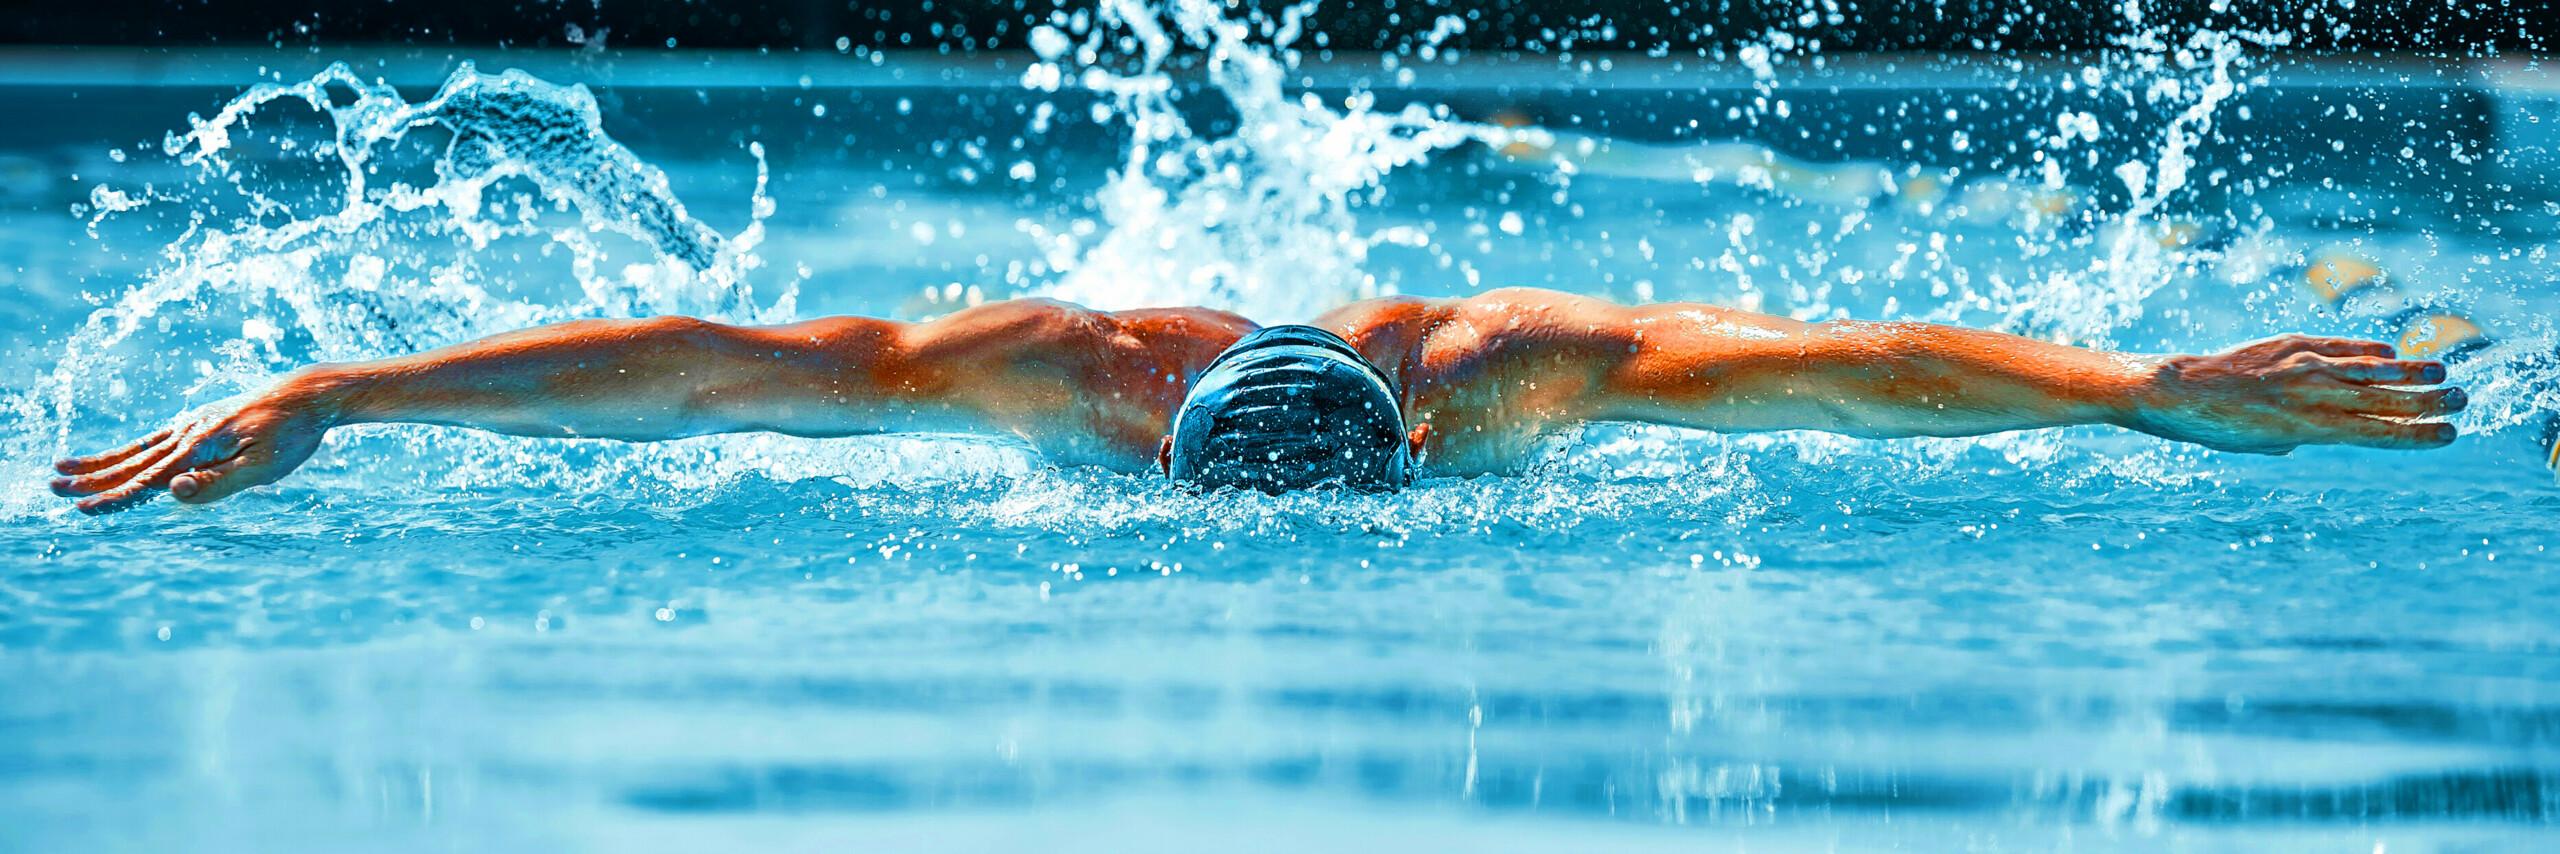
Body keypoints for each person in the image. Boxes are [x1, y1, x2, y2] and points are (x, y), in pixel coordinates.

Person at [49, 287, 2464, 513]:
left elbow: (1859, 373)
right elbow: (706, 372)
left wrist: (2131, 389)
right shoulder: (1063, 371)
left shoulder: (1517, 373)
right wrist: (343, 384)